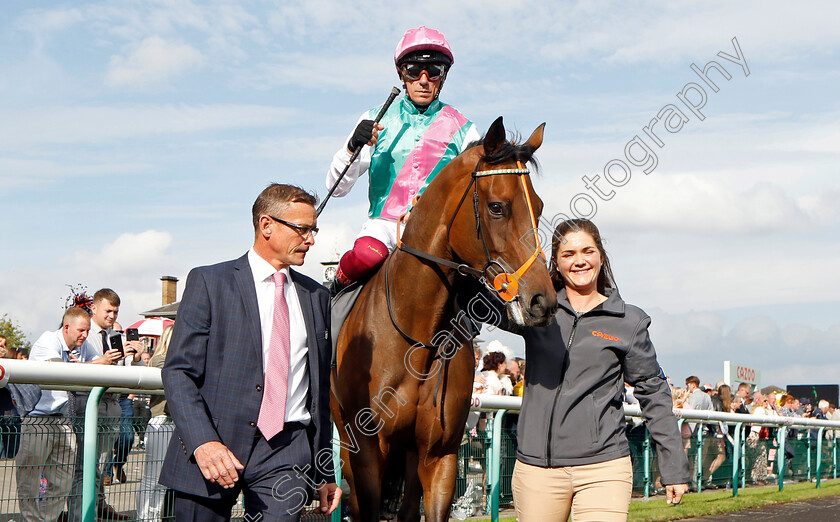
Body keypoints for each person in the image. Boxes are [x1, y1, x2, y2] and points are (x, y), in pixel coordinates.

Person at [487, 218, 690, 521]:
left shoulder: (629, 321)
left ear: (601, 257)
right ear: (555, 262)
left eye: (587, 251)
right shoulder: (536, 308)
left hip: (604, 468)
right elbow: (474, 299)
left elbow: (653, 392)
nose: (579, 261)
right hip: (537, 470)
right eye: (568, 255)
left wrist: (673, 465)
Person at [160, 184, 340, 521]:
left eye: (313, 229)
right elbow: (178, 372)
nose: (311, 239)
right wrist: (203, 442)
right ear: (266, 225)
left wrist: (325, 471)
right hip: (214, 446)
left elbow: (320, 393)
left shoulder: (317, 297)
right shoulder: (209, 282)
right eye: (302, 229)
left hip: (287, 452)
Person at [326, 25, 481, 290]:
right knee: (364, 257)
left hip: (438, 232)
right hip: (384, 226)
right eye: (413, 71)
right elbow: (336, 189)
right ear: (402, 74)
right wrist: (352, 147)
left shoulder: (464, 129)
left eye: (433, 72)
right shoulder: (374, 118)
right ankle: (334, 294)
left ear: (442, 77)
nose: (423, 80)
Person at [67, 288, 144, 522]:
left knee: (101, 462)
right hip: (88, 403)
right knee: (84, 463)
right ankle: (81, 513)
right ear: (95, 308)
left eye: (116, 311)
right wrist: (102, 361)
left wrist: (137, 357)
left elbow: (137, 377)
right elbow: (72, 368)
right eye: (108, 310)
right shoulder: (83, 334)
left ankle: (97, 505)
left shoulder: (117, 337)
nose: (112, 315)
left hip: (113, 404)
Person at [15, 307, 91, 522]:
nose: (85, 335)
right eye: (81, 330)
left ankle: (46, 520)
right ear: (66, 327)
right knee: (29, 480)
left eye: (87, 330)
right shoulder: (47, 340)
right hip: (38, 419)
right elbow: (62, 373)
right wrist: (90, 366)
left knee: (64, 480)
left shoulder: (81, 346)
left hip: (64, 420)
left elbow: (104, 363)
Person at [136, 325, 175, 521]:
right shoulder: (160, 360)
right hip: (161, 420)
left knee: (163, 480)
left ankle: (154, 516)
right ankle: (143, 517)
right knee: (152, 476)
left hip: (173, 422)